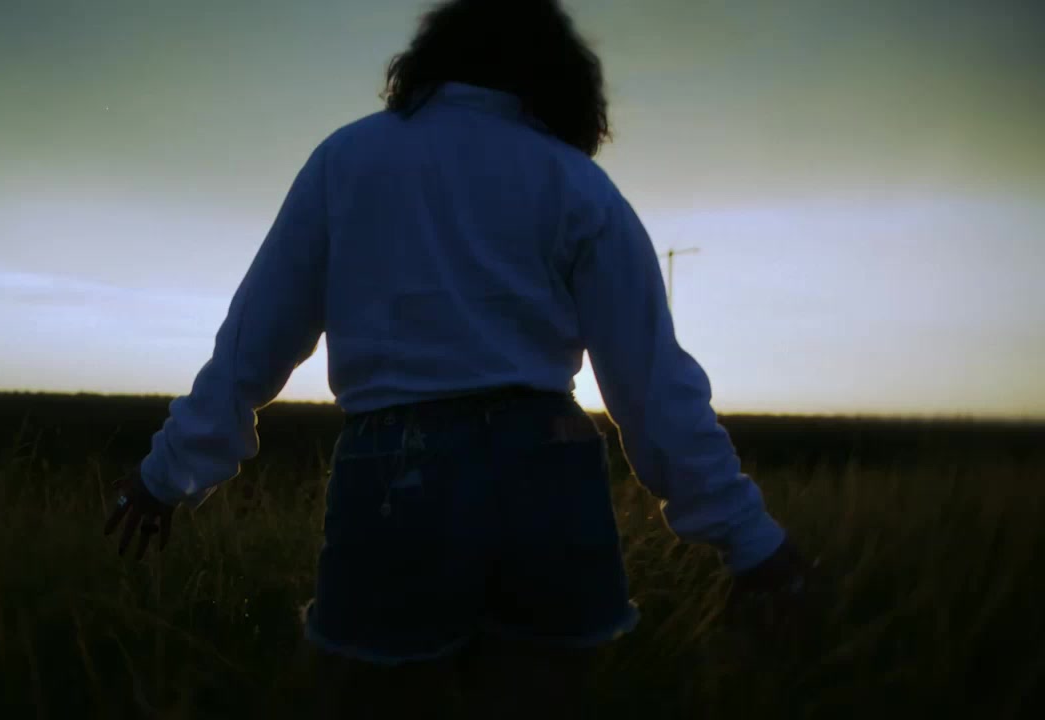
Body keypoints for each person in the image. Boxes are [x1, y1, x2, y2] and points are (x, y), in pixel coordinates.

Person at [105, 0, 817, 716]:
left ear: (433, 55)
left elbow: (253, 341)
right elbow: (653, 387)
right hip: (548, 471)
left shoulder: (348, 161)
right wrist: (750, 539)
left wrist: (167, 475)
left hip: (396, 474)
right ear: (558, 74)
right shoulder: (575, 182)